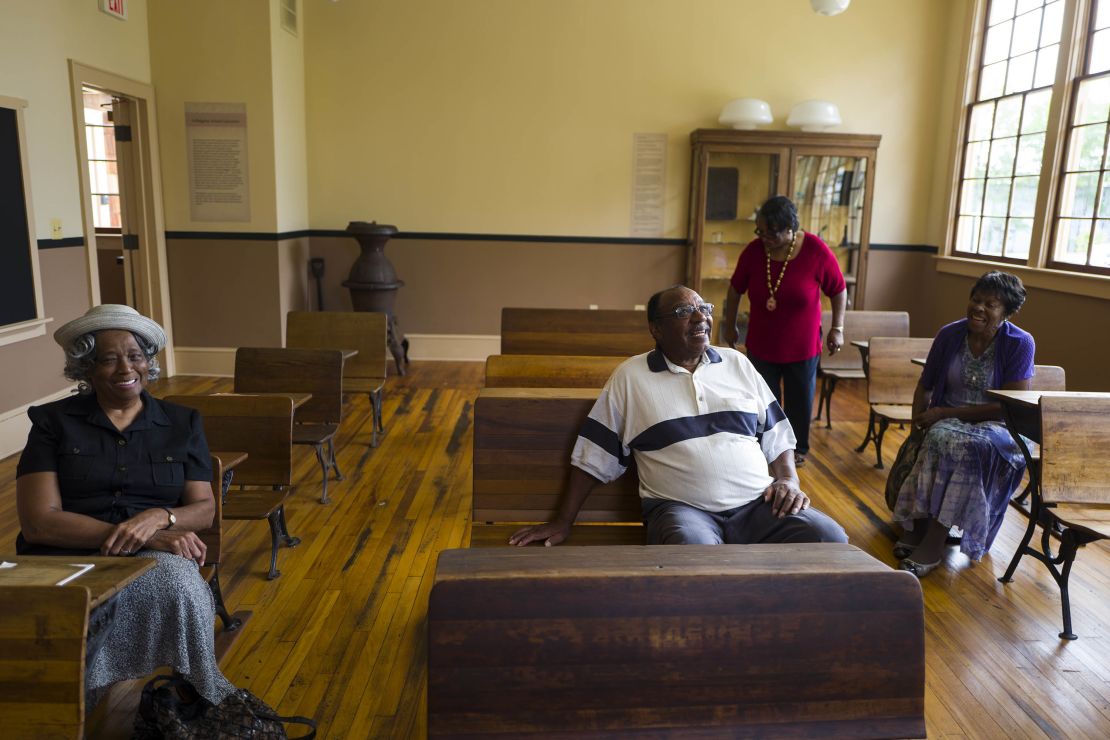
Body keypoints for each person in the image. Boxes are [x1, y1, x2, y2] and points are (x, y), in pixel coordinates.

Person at [509, 285, 848, 548]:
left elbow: (777, 434)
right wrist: (562, 521)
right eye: (685, 311)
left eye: (704, 308)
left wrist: (788, 479)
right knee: (695, 550)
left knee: (829, 538)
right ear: (656, 329)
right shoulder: (631, 377)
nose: (700, 317)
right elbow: (594, 457)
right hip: (685, 512)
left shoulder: (737, 364)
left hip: (759, 505)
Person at [15, 304, 235, 706]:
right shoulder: (51, 422)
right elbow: (39, 524)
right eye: (109, 359)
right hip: (64, 554)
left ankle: (198, 692)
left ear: (149, 363)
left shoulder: (183, 422)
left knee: (178, 584)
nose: (125, 369)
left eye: (135, 356)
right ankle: (66, 703)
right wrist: (135, 536)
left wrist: (158, 519)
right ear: (85, 368)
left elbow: (203, 509)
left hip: (155, 551)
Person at [890, 271, 1035, 577]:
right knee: (939, 437)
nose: (978, 308)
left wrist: (944, 414)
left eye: (990, 304)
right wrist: (918, 424)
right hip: (945, 420)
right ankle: (920, 525)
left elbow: (1009, 408)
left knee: (960, 445)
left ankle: (932, 541)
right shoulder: (950, 335)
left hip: (998, 427)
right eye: (976, 299)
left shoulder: (1020, 343)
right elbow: (925, 385)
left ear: (1006, 312)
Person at [721, 195, 847, 466]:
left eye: (772, 233)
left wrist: (837, 328)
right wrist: (729, 324)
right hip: (762, 343)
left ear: (790, 228)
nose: (764, 238)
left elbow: (838, 289)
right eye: (760, 231)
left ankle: (798, 449)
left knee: (799, 400)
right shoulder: (755, 251)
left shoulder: (815, 250)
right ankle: (766, 447)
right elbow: (734, 290)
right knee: (764, 401)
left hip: (802, 346)